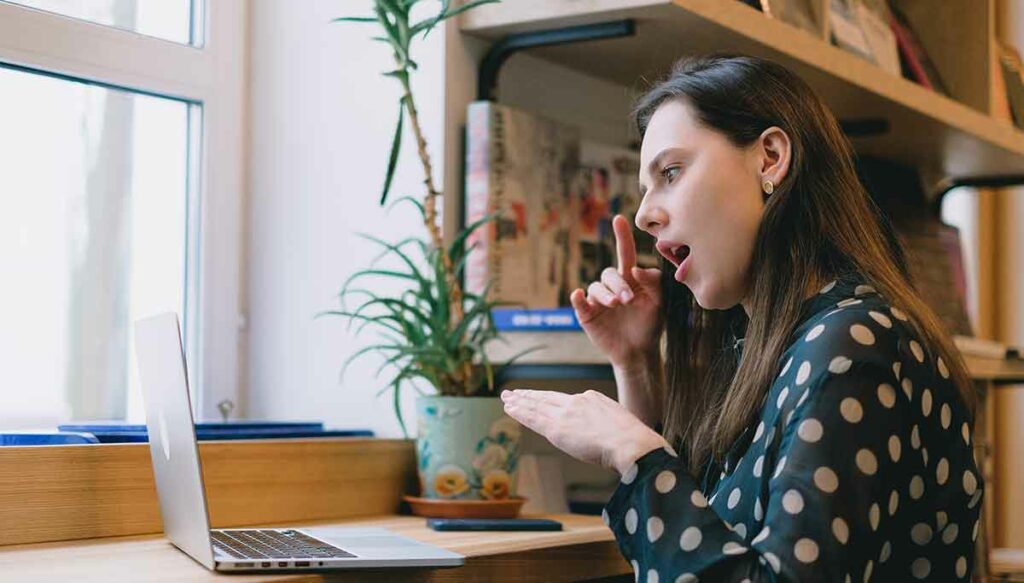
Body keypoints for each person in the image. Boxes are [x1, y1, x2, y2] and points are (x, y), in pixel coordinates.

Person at [500, 54, 983, 582]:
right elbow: (711, 543)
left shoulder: (853, 343)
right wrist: (636, 365)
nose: (644, 214)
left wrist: (631, 449)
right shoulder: (772, 345)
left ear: (770, 158)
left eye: (671, 172)